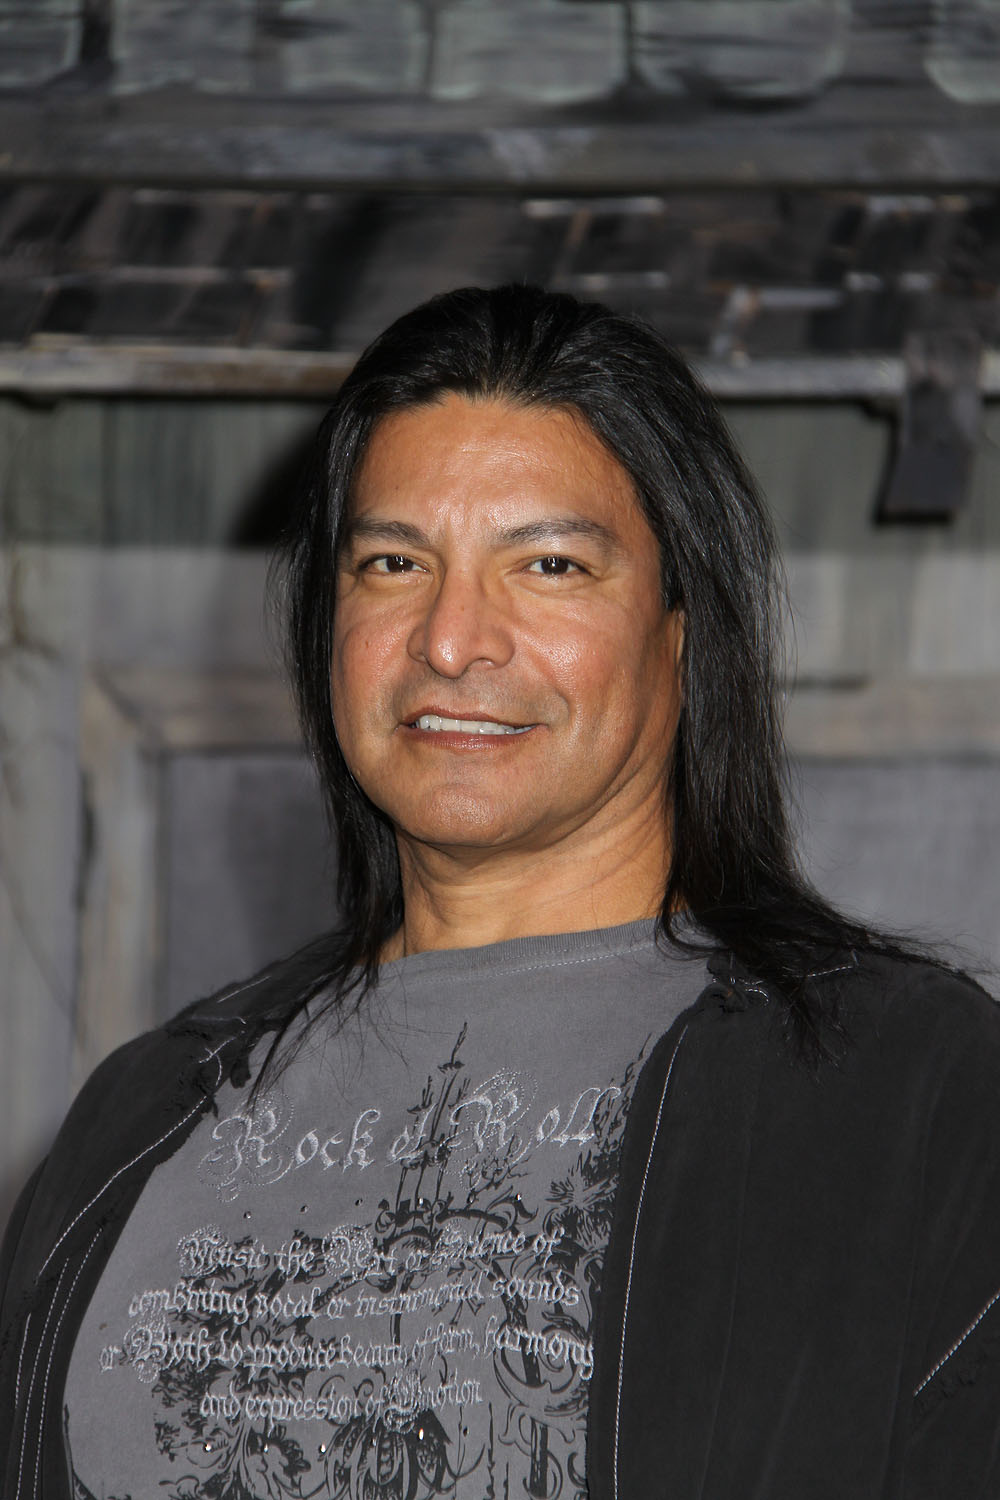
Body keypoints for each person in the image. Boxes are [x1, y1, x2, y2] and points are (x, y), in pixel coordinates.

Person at [2, 284, 999, 1500]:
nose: (451, 638)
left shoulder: (911, 1096)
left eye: (548, 564)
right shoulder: (139, 1116)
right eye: (393, 561)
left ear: (682, 631)